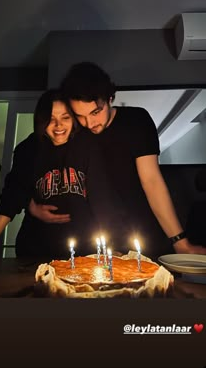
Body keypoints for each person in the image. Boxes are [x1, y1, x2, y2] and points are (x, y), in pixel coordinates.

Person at [29, 62, 206, 257]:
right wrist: (31, 206)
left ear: (110, 98)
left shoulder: (136, 121)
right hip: (94, 243)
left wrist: (180, 242)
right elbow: (34, 162)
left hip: (142, 234)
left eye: (95, 112)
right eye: (80, 115)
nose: (89, 123)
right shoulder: (75, 132)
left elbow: (152, 181)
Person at [0, 89, 126, 267]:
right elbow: (11, 197)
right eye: (51, 119)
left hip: (83, 253)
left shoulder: (87, 145)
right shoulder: (28, 149)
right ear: (41, 121)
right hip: (36, 251)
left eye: (65, 117)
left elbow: (103, 198)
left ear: (74, 119)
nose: (58, 125)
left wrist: (114, 245)